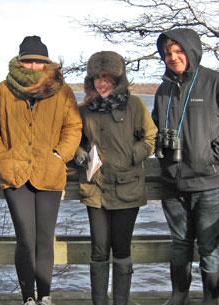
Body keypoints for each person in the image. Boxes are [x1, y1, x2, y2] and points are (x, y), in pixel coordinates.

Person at [152, 28, 219, 305]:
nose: (173, 57)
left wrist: (212, 155)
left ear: (191, 50)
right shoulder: (163, 89)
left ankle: (211, 299)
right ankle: (179, 295)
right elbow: (154, 128)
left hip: (211, 184)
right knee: (179, 245)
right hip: (173, 183)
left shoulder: (217, 83)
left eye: (179, 51)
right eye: (168, 53)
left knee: (209, 247)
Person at [0, 35, 82, 305]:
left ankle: (45, 296)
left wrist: (60, 155)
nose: (34, 67)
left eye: (39, 62)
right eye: (28, 62)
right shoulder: (3, 91)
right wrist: (2, 157)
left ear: (47, 64)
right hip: (15, 173)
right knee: (25, 238)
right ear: (20, 62)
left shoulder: (62, 91)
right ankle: (28, 297)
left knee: (44, 239)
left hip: (49, 174)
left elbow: (73, 127)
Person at [74, 51, 158, 305]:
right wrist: (78, 153)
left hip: (127, 188)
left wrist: (132, 155)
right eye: (97, 77)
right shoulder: (85, 109)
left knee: (121, 248)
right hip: (95, 188)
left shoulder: (134, 106)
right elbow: (75, 140)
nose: (102, 82)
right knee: (99, 250)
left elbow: (150, 137)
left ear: (118, 78)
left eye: (107, 77)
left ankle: (121, 301)